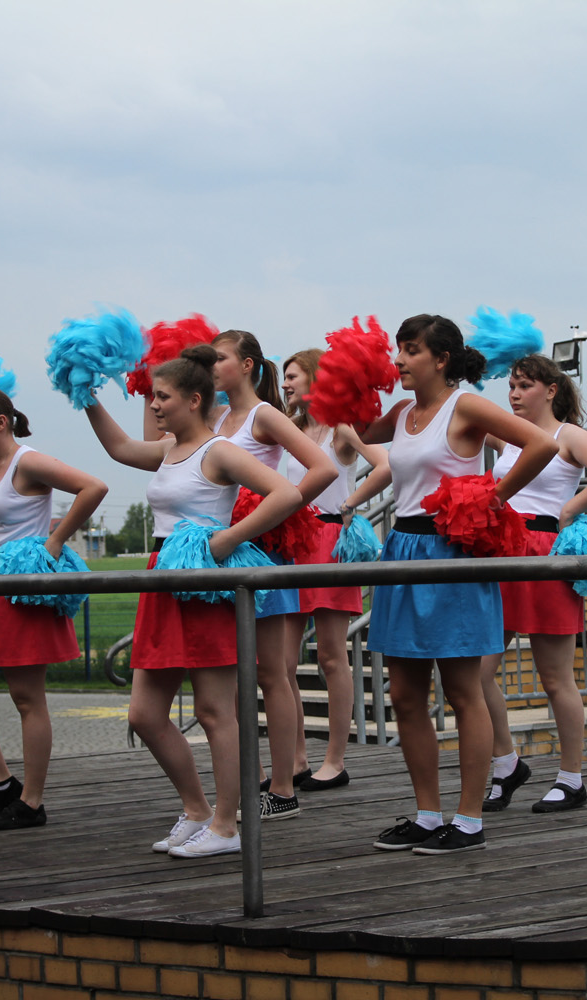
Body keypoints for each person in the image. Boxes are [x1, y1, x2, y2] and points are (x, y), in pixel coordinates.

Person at [85, 344, 303, 857]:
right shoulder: (167, 450)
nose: (154, 404)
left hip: (203, 585)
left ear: (193, 400)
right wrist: (85, 395)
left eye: (162, 397)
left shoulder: (219, 450)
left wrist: (225, 541)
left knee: (214, 710)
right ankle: (198, 810)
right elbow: (119, 448)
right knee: (144, 714)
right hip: (163, 580)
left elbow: (286, 493)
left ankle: (226, 826)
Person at [360, 314, 559, 855]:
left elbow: (541, 444)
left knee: (463, 691)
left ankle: (469, 819)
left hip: (451, 550)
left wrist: (491, 499)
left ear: (441, 359)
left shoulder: (464, 405)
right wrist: (349, 380)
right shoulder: (402, 412)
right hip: (402, 550)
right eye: (398, 349)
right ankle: (428, 814)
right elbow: (356, 430)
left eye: (411, 350)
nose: (400, 359)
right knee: (404, 693)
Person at [0, 387, 108, 831]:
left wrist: (55, 541)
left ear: (1, 423)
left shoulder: (26, 461)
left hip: (19, 587)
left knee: (27, 698)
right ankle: (1, 783)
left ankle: (31, 801)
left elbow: (94, 487)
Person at [479, 355, 587, 813]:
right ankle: (506, 763)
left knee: (555, 677)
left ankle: (571, 778)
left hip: (546, 554)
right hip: (503, 553)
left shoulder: (568, 435)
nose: (514, 394)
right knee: (476, 673)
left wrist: (569, 510)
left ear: (550, 390)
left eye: (524, 385)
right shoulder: (508, 434)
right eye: (511, 385)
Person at [206, 330, 336, 822]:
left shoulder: (264, 414)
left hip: (260, 552)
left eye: (219, 358)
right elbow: (152, 447)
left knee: (272, 672)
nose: (210, 366)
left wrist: (275, 512)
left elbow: (322, 469)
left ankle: (283, 788)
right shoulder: (214, 417)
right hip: (224, 557)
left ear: (247, 365)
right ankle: (255, 778)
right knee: (238, 673)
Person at [278, 348, 391, 791]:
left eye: (292, 376)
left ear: (314, 377)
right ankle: (297, 758)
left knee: (330, 655)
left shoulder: (340, 428)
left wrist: (350, 504)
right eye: (284, 377)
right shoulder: (290, 428)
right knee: (282, 662)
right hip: (292, 541)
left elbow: (385, 465)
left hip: (327, 541)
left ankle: (335, 760)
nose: (285, 384)